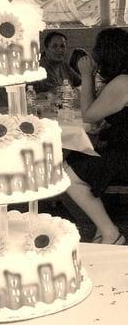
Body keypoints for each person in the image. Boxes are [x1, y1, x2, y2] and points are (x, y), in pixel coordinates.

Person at [65, 27, 128, 245]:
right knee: (76, 161)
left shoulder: (123, 82)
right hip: (120, 149)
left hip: (123, 155)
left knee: (68, 175)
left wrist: (85, 75)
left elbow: (89, 115)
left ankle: (110, 232)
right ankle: (101, 230)